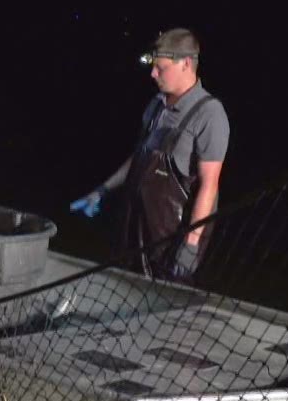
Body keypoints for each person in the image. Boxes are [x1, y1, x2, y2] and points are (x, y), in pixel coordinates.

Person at [71, 29, 230, 281]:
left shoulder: (209, 114)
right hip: (133, 233)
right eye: (153, 66)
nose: (153, 74)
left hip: (169, 244)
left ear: (186, 63)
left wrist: (190, 244)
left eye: (160, 67)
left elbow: (209, 186)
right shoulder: (156, 105)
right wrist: (101, 190)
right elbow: (140, 158)